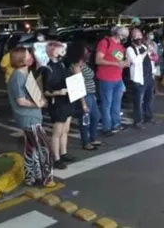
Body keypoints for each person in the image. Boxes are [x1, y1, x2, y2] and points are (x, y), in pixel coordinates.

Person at [7, 47, 54, 186]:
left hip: (31, 117)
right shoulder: (17, 78)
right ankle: (46, 179)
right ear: (21, 60)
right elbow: (21, 101)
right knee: (44, 148)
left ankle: (31, 177)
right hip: (28, 117)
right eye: (28, 56)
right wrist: (37, 104)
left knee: (31, 148)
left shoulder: (25, 74)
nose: (31, 57)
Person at [39, 41, 76, 169]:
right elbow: (46, 91)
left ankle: (63, 152)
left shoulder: (61, 65)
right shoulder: (47, 69)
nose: (62, 53)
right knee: (57, 131)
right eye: (60, 50)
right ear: (52, 52)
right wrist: (59, 92)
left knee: (65, 129)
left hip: (68, 99)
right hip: (57, 102)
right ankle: (56, 158)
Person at [65, 41, 102, 151]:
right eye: (85, 50)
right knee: (85, 119)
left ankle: (93, 138)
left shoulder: (83, 63)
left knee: (96, 116)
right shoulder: (76, 66)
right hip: (84, 95)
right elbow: (78, 85)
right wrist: (83, 102)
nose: (88, 52)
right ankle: (85, 142)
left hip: (90, 94)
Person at [95, 26, 129, 136]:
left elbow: (120, 59)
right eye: (125, 36)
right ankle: (107, 127)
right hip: (106, 78)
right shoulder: (105, 43)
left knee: (116, 103)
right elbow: (98, 60)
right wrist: (116, 64)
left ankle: (116, 124)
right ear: (119, 35)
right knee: (107, 104)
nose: (126, 38)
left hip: (118, 78)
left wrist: (125, 62)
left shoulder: (120, 46)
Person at [126, 29, 161, 129]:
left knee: (148, 99)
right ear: (132, 38)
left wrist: (153, 54)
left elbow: (152, 59)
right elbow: (136, 61)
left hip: (149, 76)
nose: (139, 38)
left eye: (140, 35)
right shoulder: (130, 49)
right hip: (139, 79)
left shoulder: (144, 46)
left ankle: (148, 117)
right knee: (138, 101)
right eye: (136, 36)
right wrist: (146, 52)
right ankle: (138, 121)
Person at [145, 29, 164, 96]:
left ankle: (156, 90)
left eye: (152, 34)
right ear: (147, 35)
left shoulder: (154, 43)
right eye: (150, 34)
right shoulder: (144, 43)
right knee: (149, 77)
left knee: (156, 77)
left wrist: (158, 60)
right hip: (149, 63)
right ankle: (148, 92)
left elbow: (157, 53)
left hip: (156, 62)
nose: (151, 35)